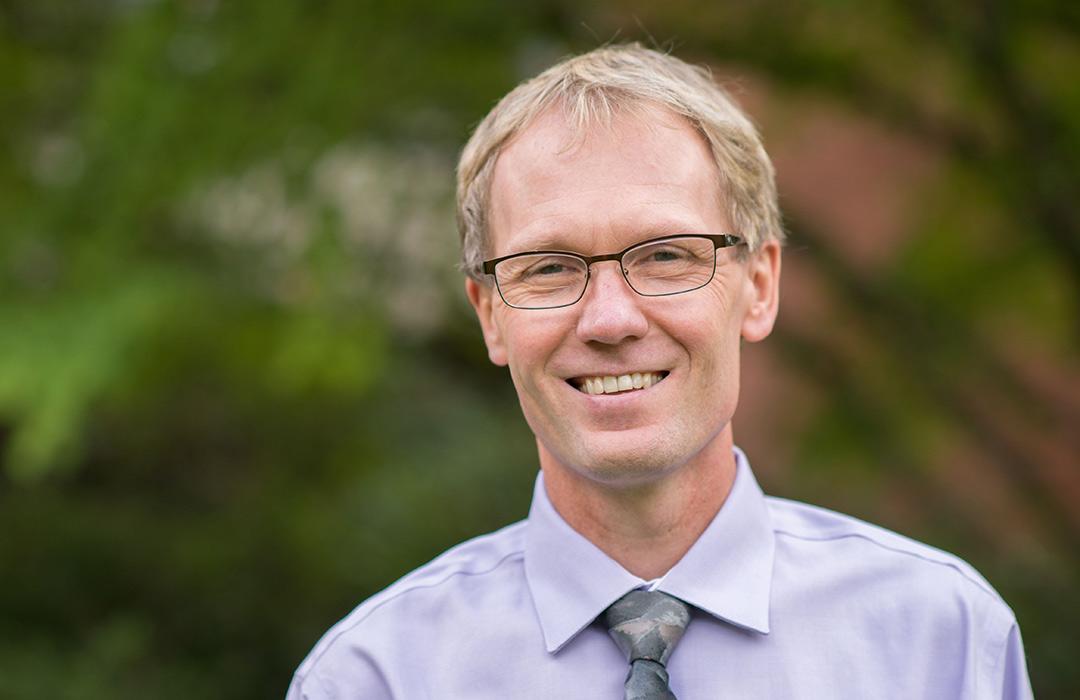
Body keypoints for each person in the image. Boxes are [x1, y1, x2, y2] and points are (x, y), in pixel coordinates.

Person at [287, 44, 1032, 699]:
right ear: (490, 314)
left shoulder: (941, 640)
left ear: (760, 285)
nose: (611, 320)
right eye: (549, 267)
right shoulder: (376, 678)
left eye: (666, 255)